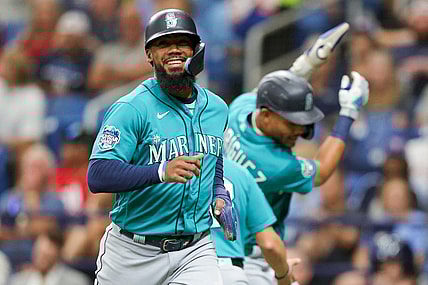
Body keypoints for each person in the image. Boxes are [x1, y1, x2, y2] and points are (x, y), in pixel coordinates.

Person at [86, 8, 236, 285]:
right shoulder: (131, 108)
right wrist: (160, 171)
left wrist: (219, 192)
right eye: (163, 44)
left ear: (196, 50)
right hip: (133, 252)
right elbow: (97, 175)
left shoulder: (217, 107)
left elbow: (214, 159)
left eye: (181, 42)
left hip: (195, 249)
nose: (174, 50)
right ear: (149, 55)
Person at [223, 22, 370, 285]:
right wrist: (348, 113)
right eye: (292, 123)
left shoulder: (240, 108)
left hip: (215, 245)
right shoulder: (274, 165)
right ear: (267, 117)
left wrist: (309, 62)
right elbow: (322, 171)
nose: (299, 130)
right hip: (250, 256)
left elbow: (272, 90)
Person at [212, 158, 301, 285]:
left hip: (187, 270)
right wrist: (284, 274)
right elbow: (269, 244)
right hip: (230, 271)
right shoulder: (240, 173)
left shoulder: (177, 171)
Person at [8, 229, 91, 285]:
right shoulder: (18, 281)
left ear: (58, 252)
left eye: (46, 255)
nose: (41, 258)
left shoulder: (77, 282)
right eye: (39, 252)